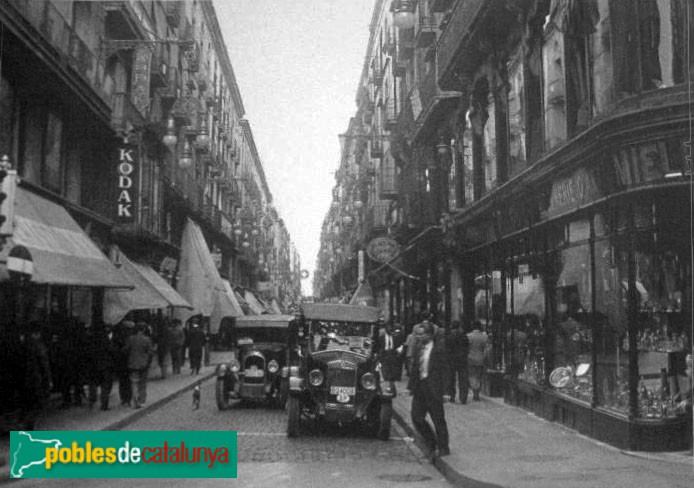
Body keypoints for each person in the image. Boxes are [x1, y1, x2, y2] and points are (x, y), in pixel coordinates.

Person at [410, 322, 450, 459]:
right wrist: (411, 387)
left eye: (422, 334)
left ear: (430, 335)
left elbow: (445, 370)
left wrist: (446, 391)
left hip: (434, 388)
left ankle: (444, 447)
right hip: (420, 387)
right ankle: (431, 442)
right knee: (416, 417)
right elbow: (415, 368)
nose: (419, 337)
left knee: (438, 419)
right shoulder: (418, 348)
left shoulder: (439, 349)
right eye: (418, 334)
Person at [20, 322, 52, 430]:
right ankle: (27, 426)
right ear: (38, 333)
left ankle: (24, 421)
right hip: (36, 379)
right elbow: (44, 364)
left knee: (27, 403)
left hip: (23, 379)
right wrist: (49, 379)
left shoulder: (23, 344)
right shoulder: (39, 346)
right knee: (36, 404)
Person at [87, 323, 118, 411]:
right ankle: (104, 405)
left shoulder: (91, 339)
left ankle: (91, 403)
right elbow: (112, 350)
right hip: (105, 366)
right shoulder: (105, 339)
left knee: (93, 385)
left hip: (94, 366)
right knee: (105, 386)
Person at [123, 322, 154, 409]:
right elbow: (151, 352)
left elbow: (126, 349)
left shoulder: (130, 338)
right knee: (142, 383)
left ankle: (134, 399)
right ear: (144, 329)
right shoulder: (147, 339)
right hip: (143, 364)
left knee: (134, 382)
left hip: (132, 364)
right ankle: (142, 400)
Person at [446, 320, 470, 404]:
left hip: (452, 361)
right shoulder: (464, 337)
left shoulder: (449, 338)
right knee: (463, 379)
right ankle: (463, 397)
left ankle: (452, 396)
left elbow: (447, 350)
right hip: (462, 360)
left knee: (451, 379)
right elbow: (467, 348)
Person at [113, 320, 135, 406]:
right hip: (127, 362)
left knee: (123, 381)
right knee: (127, 381)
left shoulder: (118, 337)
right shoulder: (130, 337)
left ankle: (124, 398)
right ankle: (127, 398)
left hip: (122, 362)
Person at [467, 320, 489, 401]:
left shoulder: (468, 336)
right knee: (479, 376)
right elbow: (486, 349)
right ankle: (477, 392)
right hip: (481, 358)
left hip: (470, 358)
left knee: (472, 375)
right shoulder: (484, 337)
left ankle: (474, 391)